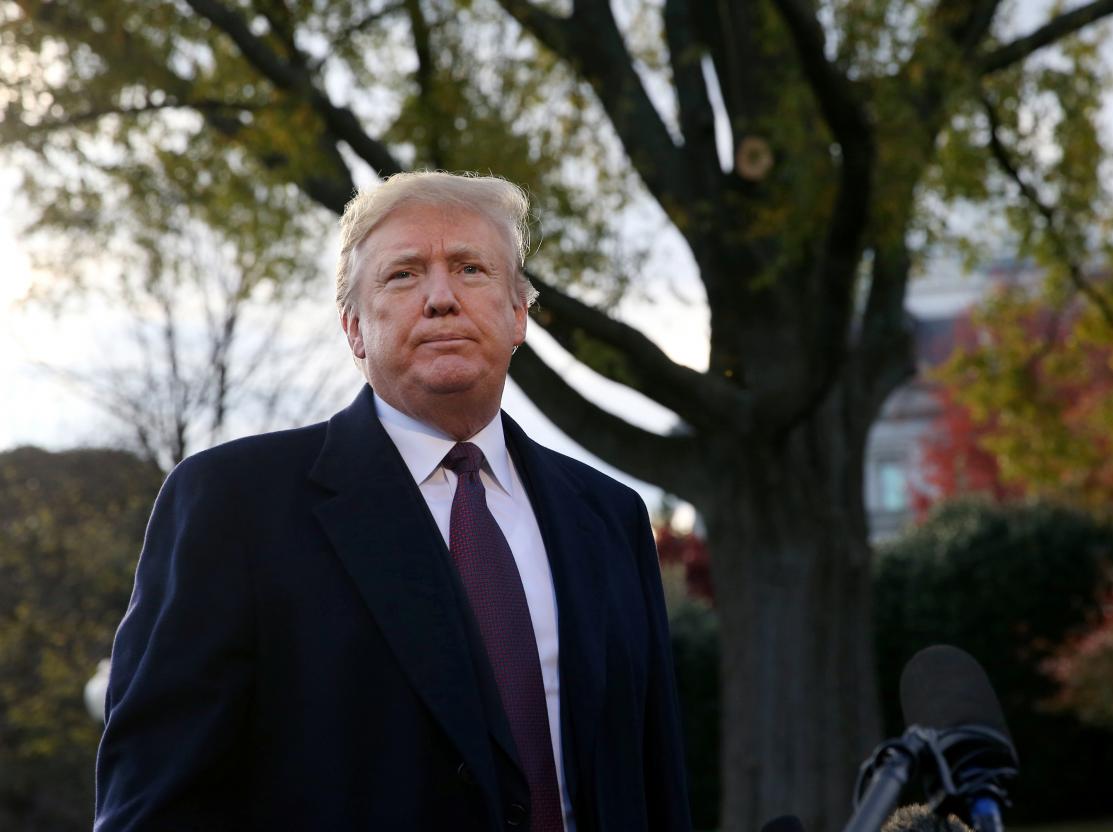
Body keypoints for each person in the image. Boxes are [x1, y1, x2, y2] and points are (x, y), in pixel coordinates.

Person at [94, 170, 692, 832]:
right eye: (404, 275)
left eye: (470, 269)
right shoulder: (233, 505)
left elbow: (653, 781)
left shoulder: (609, 517)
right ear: (354, 329)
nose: (441, 297)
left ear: (517, 313)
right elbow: (153, 802)